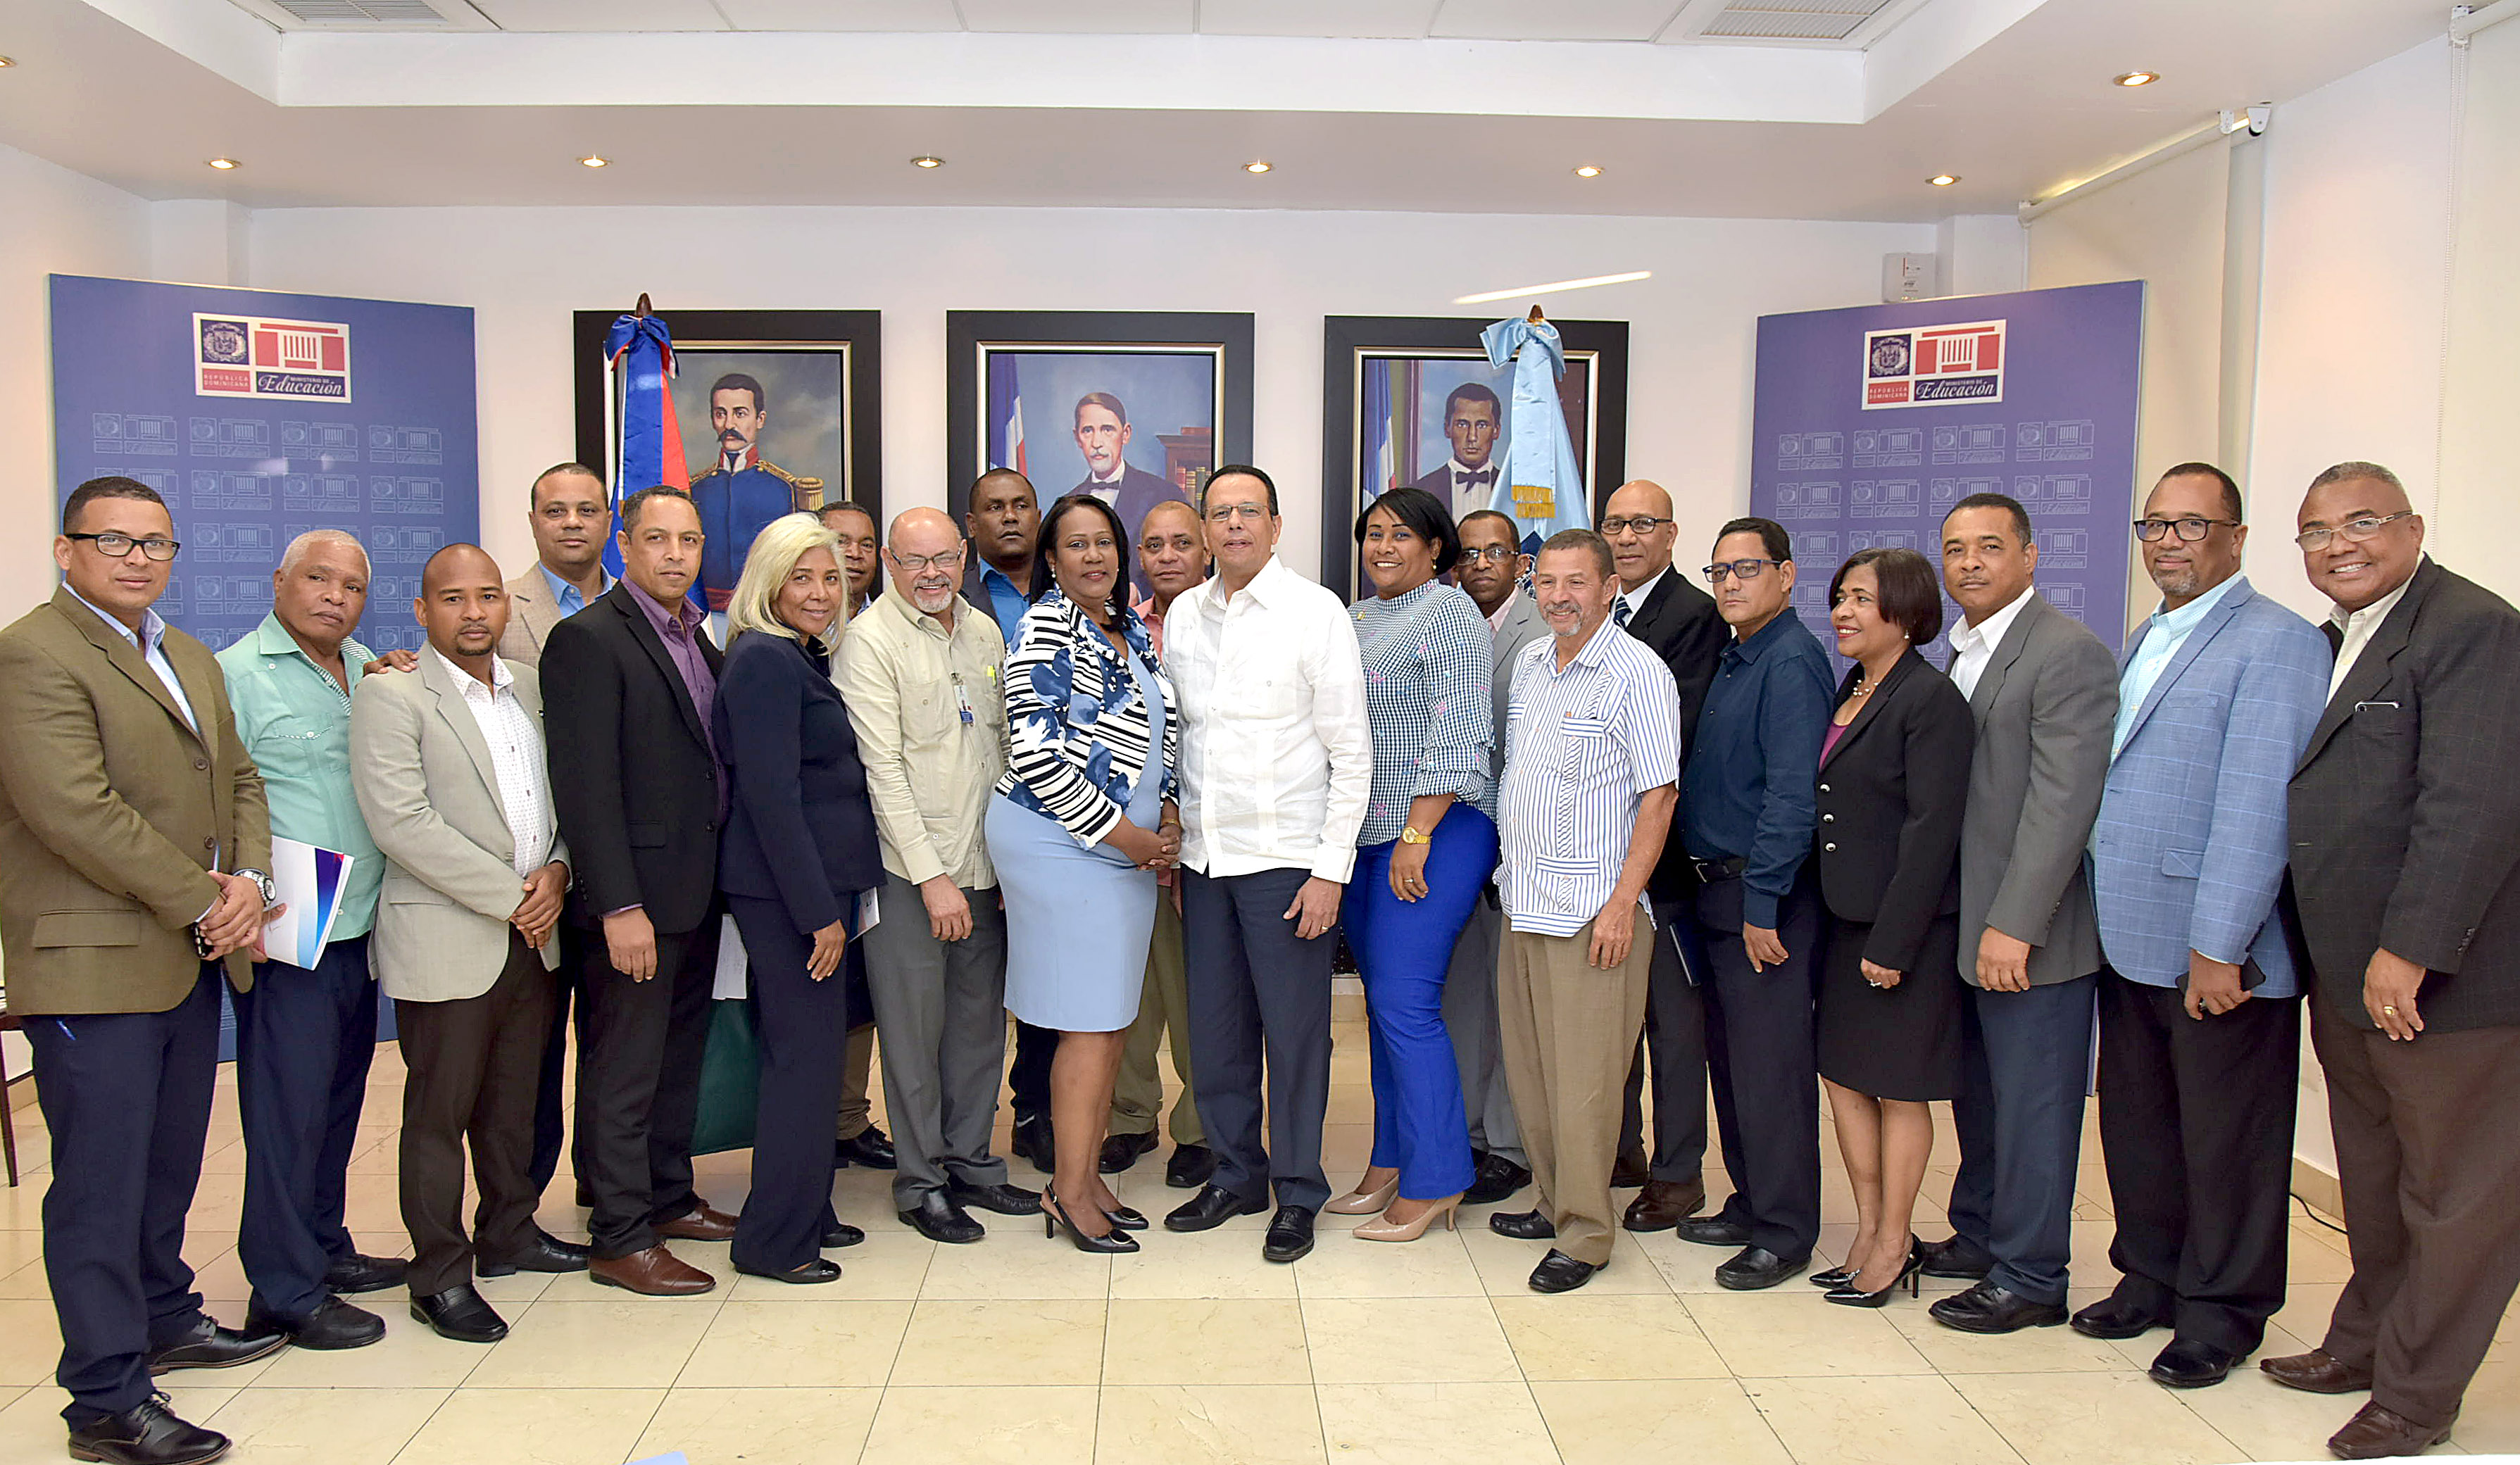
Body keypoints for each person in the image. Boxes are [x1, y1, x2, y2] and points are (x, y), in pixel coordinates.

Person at [0, 477, 282, 1465]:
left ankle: (165, 1314)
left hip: (187, 958)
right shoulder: (32, 653)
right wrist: (208, 897)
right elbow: (73, 810)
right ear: (63, 548)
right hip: (95, 969)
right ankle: (106, 1399)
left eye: (155, 543)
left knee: (167, 1164)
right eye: (112, 540)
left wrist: (247, 878)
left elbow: (238, 778)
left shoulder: (186, 654)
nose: (136, 558)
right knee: (98, 1185)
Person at [2260, 461, 2520, 1460]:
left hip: (2441, 986)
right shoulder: (2335, 639)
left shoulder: (2470, 630)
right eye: (2315, 531)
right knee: (2372, 1179)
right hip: (2343, 976)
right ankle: (2361, 1343)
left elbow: (2471, 806)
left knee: (2455, 1198)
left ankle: (2415, 1397)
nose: (2336, 545)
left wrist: (2406, 950)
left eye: (2359, 522)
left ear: (2410, 527)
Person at [2074, 463, 2330, 1385]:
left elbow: (2257, 808)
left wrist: (2219, 945)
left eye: (2190, 524)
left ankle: (2220, 1310)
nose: (2168, 541)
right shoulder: (2145, 635)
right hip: (2127, 930)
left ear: (2234, 537)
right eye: (2154, 524)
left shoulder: (2278, 643)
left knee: (2227, 1138)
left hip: (2211, 949)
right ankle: (2149, 1274)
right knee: (2140, 1122)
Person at [349, 543, 577, 1345]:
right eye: (453, 598)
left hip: (534, 934)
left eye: (488, 596)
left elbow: (561, 798)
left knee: (515, 1104)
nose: (474, 611)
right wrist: (512, 897)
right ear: (422, 610)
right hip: (453, 934)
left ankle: (509, 1230)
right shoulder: (393, 694)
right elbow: (401, 822)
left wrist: (556, 868)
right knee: (440, 1114)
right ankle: (439, 1274)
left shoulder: (532, 692)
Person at [1160, 465, 1373, 1265]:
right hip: (1207, 861)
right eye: (1221, 513)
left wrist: (1330, 870)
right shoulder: (1185, 615)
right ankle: (1236, 1172)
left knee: (1294, 1036)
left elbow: (1352, 753)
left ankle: (1298, 1187)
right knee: (1215, 1035)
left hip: (1287, 862)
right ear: (1206, 529)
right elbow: (1183, 741)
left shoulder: (1315, 613)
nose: (1235, 525)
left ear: (1276, 526)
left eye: (1250, 511)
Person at [1921, 491, 2118, 1335]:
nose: (1969, 562)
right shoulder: (1959, 652)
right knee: (1983, 1098)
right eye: (1956, 548)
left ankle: (2034, 1273)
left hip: (2028, 933)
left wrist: (2018, 921)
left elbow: (2062, 805)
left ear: (2030, 556)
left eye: (1989, 546)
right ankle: (1981, 1236)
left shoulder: (2066, 652)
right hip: (1963, 925)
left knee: (2035, 1105)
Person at [542, 486, 736, 1297]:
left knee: (675, 1062)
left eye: (688, 541)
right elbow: (585, 785)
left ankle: (666, 1195)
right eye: (657, 539)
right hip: (635, 904)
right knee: (624, 1069)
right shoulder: (588, 638)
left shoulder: (699, 636)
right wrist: (618, 905)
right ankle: (619, 1234)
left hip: (694, 894)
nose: (675, 555)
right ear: (625, 545)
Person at [217, 530, 405, 1354]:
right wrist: (239, 897)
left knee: (337, 1102)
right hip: (286, 926)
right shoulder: (233, 675)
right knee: (285, 1112)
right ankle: (284, 1289)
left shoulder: (368, 670)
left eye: (353, 585)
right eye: (318, 578)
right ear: (280, 582)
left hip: (360, 921)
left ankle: (325, 1248)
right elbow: (215, 800)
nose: (335, 595)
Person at [836, 508, 1040, 1245]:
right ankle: (922, 1182)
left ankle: (973, 1164)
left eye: (943, 559)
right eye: (914, 560)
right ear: (889, 562)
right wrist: (931, 877)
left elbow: (1004, 750)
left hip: (986, 868)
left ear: (964, 557)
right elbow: (880, 772)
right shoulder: (868, 642)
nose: (931, 573)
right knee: (914, 1037)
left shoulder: (985, 632)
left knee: (981, 1031)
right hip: (910, 875)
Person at [1486, 529, 1681, 1293]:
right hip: (1525, 900)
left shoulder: (1638, 672)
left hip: (1593, 913)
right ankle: (1552, 1199)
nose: (1560, 596)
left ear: (1608, 589)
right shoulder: (1534, 665)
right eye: (1549, 582)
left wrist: (1622, 903)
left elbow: (1658, 794)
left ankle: (1588, 1231)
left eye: (1578, 583)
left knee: (1587, 1083)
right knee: (1534, 1077)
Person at [987, 493, 1181, 1253]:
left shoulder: (1129, 626)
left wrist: (1164, 812)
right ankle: (1068, 1192)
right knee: (1089, 1024)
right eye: (1075, 545)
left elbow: (1164, 728)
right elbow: (1035, 754)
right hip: (1059, 842)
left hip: (1123, 847)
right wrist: (1126, 834)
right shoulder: (1042, 627)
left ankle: (1085, 1175)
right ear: (1052, 558)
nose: (1093, 557)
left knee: (1109, 1022)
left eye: (1104, 543)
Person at [713, 513, 884, 1283]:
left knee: (813, 1061)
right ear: (768, 584)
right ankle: (774, 1241)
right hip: (794, 897)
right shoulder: (763, 662)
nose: (820, 593)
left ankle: (806, 1207)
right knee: (801, 1062)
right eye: (802, 578)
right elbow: (771, 799)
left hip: (820, 889)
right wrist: (818, 911)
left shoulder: (797, 655)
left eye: (830, 578)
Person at [1327, 486, 1497, 1242]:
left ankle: (1437, 1178)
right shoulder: (1356, 618)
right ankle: (1389, 1159)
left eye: (1401, 534)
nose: (1383, 546)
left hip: (1436, 827)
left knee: (1406, 1004)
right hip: (1365, 836)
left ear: (1436, 549)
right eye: (1373, 533)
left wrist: (1419, 830)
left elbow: (1460, 731)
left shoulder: (1449, 612)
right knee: (1382, 1007)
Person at [1669, 516, 1833, 1290]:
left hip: (1761, 898)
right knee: (1732, 1066)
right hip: (1715, 891)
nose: (1730, 583)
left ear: (1788, 574)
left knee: (1770, 1070)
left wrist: (1763, 901)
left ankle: (1786, 1228)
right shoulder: (1739, 655)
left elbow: (1794, 796)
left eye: (1747, 568)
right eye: (1720, 571)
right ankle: (1750, 1199)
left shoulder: (1792, 661)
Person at [1805, 548, 1973, 1307]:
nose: (1842, 611)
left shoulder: (1929, 699)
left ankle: (1897, 1239)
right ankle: (1867, 1227)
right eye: (1840, 596)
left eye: (1861, 599)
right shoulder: (1851, 687)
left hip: (1902, 933)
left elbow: (1932, 830)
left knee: (1902, 1091)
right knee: (1843, 1079)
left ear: (1904, 612)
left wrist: (1893, 944)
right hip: (1842, 923)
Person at [1598, 478, 1729, 1231]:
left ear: (1672, 534)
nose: (1627, 535)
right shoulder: (1594, 608)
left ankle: (1679, 1174)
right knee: (1609, 1014)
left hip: (1668, 858)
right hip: (1596, 854)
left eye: (1642, 523)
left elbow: (1666, 726)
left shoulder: (1696, 615)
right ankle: (1622, 1150)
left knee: (1673, 1026)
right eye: (1615, 523)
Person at [494, 461, 613, 1208]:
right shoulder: (495, 607)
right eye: (555, 510)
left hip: (613, 870)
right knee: (528, 1054)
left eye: (587, 509)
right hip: (532, 871)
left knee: (611, 1045)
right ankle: (517, 1206)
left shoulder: (649, 603)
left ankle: (608, 1186)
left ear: (608, 523)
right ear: (533, 520)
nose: (572, 522)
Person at [1103, 498, 1215, 1188]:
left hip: (1205, 842)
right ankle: (1130, 1115)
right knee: (1133, 990)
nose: (1168, 554)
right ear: (1138, 557)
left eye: (1181, 542)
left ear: (1204, 550)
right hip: (1127, 839)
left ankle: (1200, 1128)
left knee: (1200, 996)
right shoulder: (1118, 632)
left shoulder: (1226, 623)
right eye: (1154, 544)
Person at [960, 466, 1058, 1169]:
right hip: (978, 814)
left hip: (1066, 820)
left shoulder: (1076, 590)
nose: (1010, 517)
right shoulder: (950, 597)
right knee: (980, 982)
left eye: (1021, 504)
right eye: (994, 508)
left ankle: (1040, 1107)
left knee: (1051, 977)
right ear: (973, 525)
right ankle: (962, 1128)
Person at [1446, 509, 1543, 1205]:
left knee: (1513, 1005)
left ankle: (1510, 1145)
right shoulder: (1442, 622)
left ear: (1519, 562)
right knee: (1463, 1000)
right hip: (1450, 841)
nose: (1482, 561)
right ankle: (1470, 1134)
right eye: (1469, 551)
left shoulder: (1547, 628)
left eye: (1496, 551)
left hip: (1520, 847)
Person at [815, 496, 897, 1176]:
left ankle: (848, 1118)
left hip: (886, 841)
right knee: (824, 992)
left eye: (863, 543)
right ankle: (819, 1124)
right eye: (836, 541)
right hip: (823, 845)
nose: (850, 554)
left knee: (865, 993)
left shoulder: (889, 626)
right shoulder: (795, 633)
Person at [690, 372, 823, 612]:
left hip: (766, 612)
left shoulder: (786, 488)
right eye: (721, 414)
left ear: (760, 419)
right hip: (704, 614)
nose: (729, 425)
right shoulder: (696, 488)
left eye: (740, 414)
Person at [1070, 392, 1185, 573]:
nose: (1097, 442)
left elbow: (1185, 560)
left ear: (1125, 434)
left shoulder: (1164, 494)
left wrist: (1139, 592)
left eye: (1107, 429)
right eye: (1088, 431)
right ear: (1077, 438)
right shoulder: (1068, 504)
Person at [1410, 382, 1505, 520]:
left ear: (1496, 431)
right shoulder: (1420, 492)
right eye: (1462, 424)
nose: (1472, 437)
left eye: (1482, 425)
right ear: (1447, 429)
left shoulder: (1512, 494)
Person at [820, 500, 882, 617]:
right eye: (841, 542)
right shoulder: (796, 625)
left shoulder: (891, 622)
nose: (855, 554)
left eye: (866, 545)